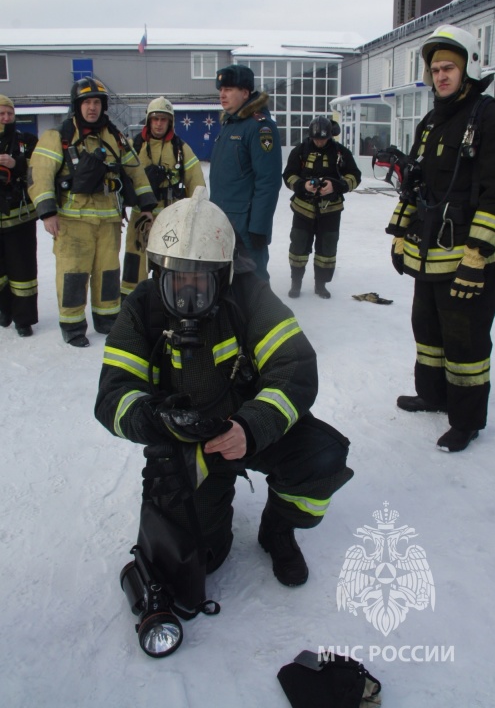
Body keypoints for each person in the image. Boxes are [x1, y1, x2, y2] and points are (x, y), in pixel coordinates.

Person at [94, 187, 353, 595]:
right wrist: (155, 420)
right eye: (176, 279)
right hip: (186, 441)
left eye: (200, 280)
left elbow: (296, 366)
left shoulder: (249, 296)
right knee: (203, 560)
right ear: (157, 272)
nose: (188, 293)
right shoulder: (142, 307)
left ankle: (278, 529)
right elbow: (113, 394)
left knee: (321, 458)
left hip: (247, 428)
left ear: (225, 274)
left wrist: (251, 428)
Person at [384, 24, 495, 452]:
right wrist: (398, 233)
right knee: (426, 328)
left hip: (469, 258)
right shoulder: (431, 122)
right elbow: (415, 183)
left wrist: (478, 254)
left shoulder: (492, 120)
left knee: (465, 340)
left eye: (449, 68)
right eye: (435, 69)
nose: (441, 75)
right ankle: (433, 395)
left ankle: (466, 420)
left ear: (468, 70)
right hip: (431, 253)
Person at [28, 77, 157, 347]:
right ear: (77, 105)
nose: (92, 108)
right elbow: (39, 174)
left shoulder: (116, 137)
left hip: (108, 221)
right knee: (73, 273)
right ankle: (73, 325)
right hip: (72, 222)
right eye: (86, 102)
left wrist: (147, 207)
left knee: (108, 272)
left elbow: (136, 172)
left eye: (96, 102)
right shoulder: (59, 136)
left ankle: (106, 319)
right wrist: (47, 212)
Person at [120, 96, 205, 299]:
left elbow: (197, 182)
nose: (159, 124)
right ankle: (132, 301)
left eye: (163, 119)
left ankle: (171, 297)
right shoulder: (134, 147)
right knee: (135, 258)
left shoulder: (181, 149)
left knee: (171, 258)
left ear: (170, 122)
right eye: (155, 119)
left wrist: (199, 210)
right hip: (142, 216)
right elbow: (121, 178)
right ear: (149, 120)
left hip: (171, 216)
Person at [209, 64, 282, 281]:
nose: (223, 94)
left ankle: (262, 316)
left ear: (245, 92)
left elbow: (268, 182)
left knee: (253, 284)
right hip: (223, 221)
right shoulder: (230, 125)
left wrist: (259, 228)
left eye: (229, 89)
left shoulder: (260, 128)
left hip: (247, 227)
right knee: (226, 281)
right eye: (221, 89)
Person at [283, 116, 361, 299]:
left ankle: (321, 284)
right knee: (298, 247)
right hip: (303, 210)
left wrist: (336, 186)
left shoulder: (341, 153)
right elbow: (288, 175)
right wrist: (303, 186)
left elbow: (355, 176)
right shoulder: (300, 151)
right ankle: (296, 282)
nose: (319, 142)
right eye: (316, 138)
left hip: (331, 211)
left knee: (327, 249)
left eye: (323, 139)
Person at [0, 95, 38, 337]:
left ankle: (23, 320)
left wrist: (18, 163)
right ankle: (4, 310)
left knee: (23, 272)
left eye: (9, 114)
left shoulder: (27, 141)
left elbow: (41, 170)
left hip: (20, 218)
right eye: (1, 114)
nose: (6, 118)